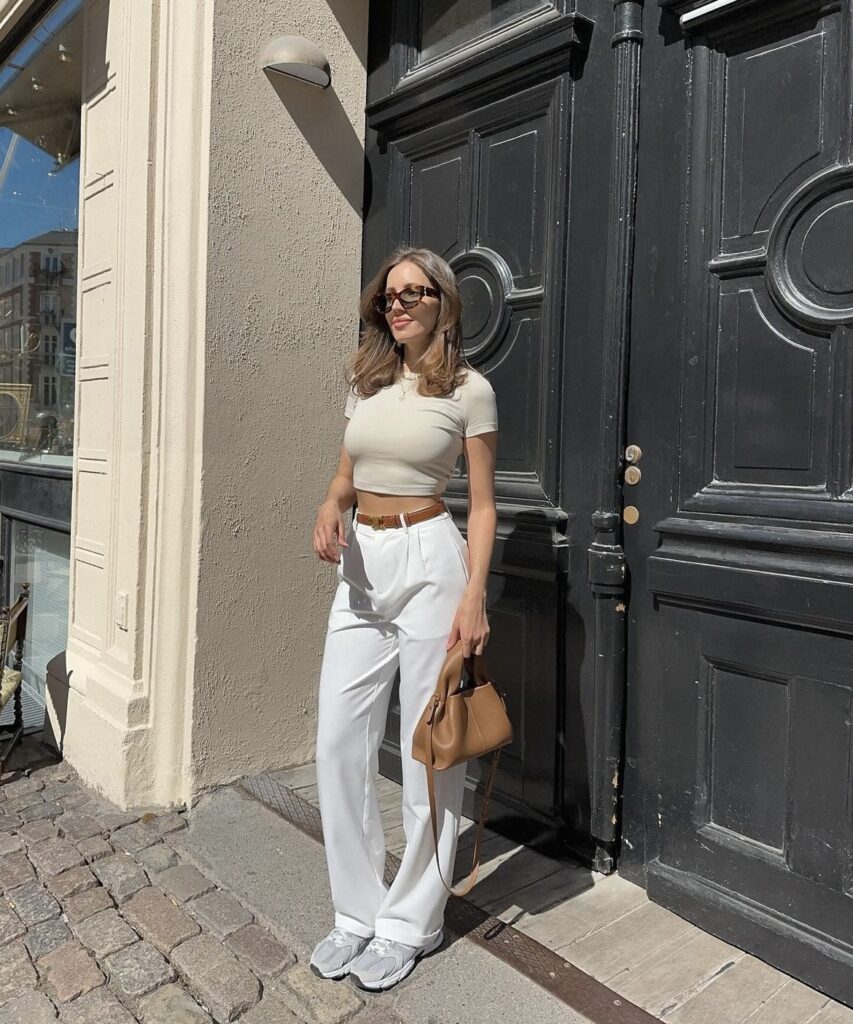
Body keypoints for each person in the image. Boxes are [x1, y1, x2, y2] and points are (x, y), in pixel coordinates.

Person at [308, 247, 498, 991]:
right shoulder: (368, 382)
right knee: (336, 741)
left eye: (413, 293)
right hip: (361, 566)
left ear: (441, 303)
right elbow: (346, 474)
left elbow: (482, 505)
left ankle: (411, 922)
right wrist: (330, 504)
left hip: (429, 557)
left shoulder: (468, 390)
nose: (397, 306)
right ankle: (355, 912)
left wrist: (474, 595)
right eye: (388, 296)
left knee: (428, 751)